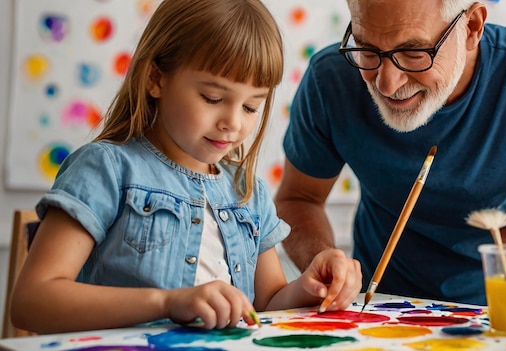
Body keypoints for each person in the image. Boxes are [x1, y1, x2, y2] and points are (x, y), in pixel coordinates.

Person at [10, 0, 361, 334]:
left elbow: (267, 303)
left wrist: (311, 286)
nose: (232, 123)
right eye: (212, 98)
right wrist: (166, 302)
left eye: (251, 107)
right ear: (156, 79)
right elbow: (33, 301)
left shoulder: (246, 192)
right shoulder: (106, 169)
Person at [275, 0, 506, 306]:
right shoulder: (330, 77)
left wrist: (464, 255)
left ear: (472, 27)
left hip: (499, 309)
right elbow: (298, 199)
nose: (386, 83)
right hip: (375, 308)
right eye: (368, 49)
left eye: (414, 53)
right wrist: (323, 259)